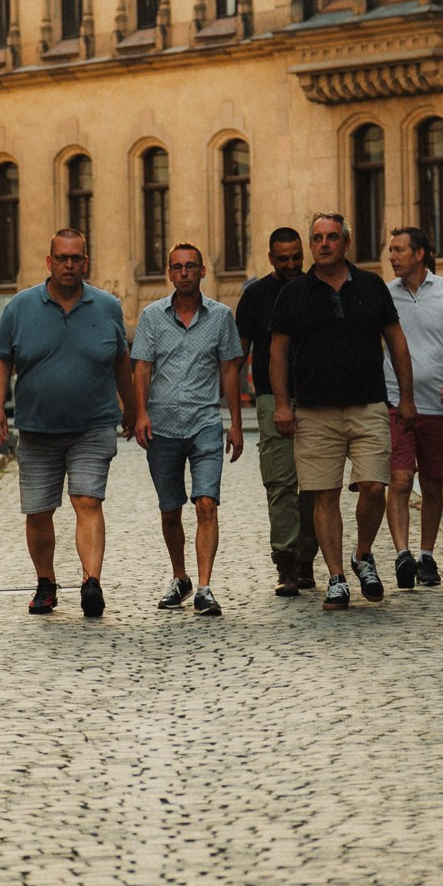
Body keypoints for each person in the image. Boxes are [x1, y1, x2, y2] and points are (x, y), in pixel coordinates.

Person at [269, 212, 416, 611]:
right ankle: (336, 577)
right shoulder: (294, 294)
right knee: (325, 495)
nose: (325, 244)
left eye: (332, 237)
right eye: (318, 238)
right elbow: (278, 352)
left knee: (374, 486)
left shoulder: (370, 285)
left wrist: (406, 398)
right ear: (311, 244)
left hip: (368, 404)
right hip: (314, 412)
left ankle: (362, 554)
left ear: (346, 243)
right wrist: (282, 405)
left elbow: (397, 341)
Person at [0, 229, 137, 619]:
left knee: (88, 500)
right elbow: (2, 359)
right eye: (62, 258)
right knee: (39, 511)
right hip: (37, 428)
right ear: (49, 262)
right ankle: (46, 582)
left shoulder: (107, 307)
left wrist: (132, 408)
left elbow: (121, 362)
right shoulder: (20, 307)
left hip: (93, 425)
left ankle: (91, 582)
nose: (69, 265)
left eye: (76, 258)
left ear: (85, 262)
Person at [132, 243, 244, 617]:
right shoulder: (151, 316)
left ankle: (205, 588)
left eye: (190, 266)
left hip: (205, 423)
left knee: (206, 503)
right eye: (177, 267)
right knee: (170, 510)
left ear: (202, 271)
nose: (184, 273)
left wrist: (236, 424)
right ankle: (180, 577)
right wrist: (140, 414)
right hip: (162, 427)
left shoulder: (221, 317)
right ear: (169, 273)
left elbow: (229, 369)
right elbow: (142, 367)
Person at [382, 227, 443, 589]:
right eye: (390, 250)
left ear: (419, 254)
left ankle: (427, 555)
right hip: (396, 402)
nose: (392, 256)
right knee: (401, 479)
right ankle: (403, 554)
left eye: (398, 250)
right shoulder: (386, 294)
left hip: (438, 403)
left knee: (433, 484)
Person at [235, 227, 318, 596]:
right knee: (281, 484)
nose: (291, 264)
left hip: (316, 398)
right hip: (271, 398)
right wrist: (232, 406)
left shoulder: (316, 288)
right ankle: (286, 562)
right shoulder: (255, 295)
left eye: (296, 257)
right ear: (271, 258)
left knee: (315, 485)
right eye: (283, 259)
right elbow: (239, 353)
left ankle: (307, 560)